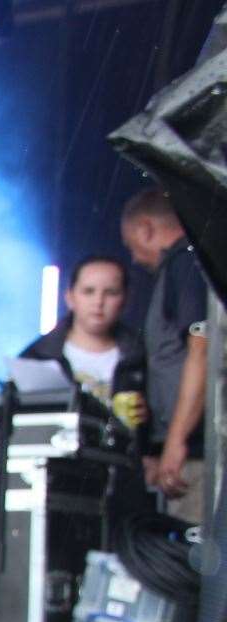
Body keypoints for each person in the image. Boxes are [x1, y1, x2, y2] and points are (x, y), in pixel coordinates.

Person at [122, 188, 214, 524]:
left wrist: (175, 442)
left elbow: (201, 348)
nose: (134, 258)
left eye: (131, 245)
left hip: (200, 451)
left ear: (146, 228)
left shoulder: (185, 261)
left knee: (195, 560)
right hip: (192, 446)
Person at [19, 254, 148, 420]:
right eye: (88, 291)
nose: (98, 301)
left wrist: (148, 413)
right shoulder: (36, 358)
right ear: (70, 297)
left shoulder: (144, 356)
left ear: (125, 300)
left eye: (111, 292)